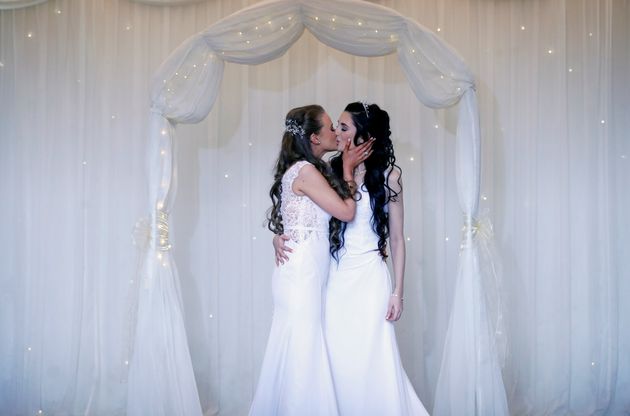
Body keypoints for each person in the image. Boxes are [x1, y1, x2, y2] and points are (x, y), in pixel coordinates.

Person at [274, 102, 429, 416]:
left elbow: (397, 239)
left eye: (344, 127)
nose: (337, 133)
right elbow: (304, 214)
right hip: (334, 278)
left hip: (370, 277)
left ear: (364, 135)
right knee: (335, 359)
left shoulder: (390, 175)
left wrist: (398, 291)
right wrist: (279, 237)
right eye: (335, 127)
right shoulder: (328, 169)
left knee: (372, 358)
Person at [249, 104, 373, 416]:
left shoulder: (309, 170)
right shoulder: (305, 171)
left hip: (306, 271)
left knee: (302, 348)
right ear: (315, 139)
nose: (335, 133)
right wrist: (347, 170)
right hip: (301, 274)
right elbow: (345, 212)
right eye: (330, 128)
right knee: (303, 351)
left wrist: (278, 236)